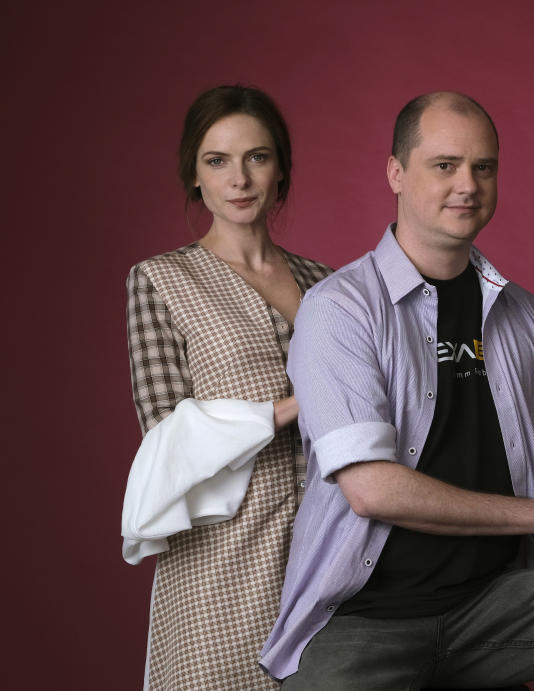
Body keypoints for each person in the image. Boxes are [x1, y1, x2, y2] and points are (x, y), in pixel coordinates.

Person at [260, 91, 534, 690]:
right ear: (395, 171)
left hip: (491, 608)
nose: (467, 184)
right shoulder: (340, 309)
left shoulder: (523, 316)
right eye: (444, 165)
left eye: (483, 167)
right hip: (365, 620)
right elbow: (371, 488)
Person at [121, 85, 332, 689]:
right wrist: (293, 407)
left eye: (257, 157)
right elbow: (166, 443)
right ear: (195, 174)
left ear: (281, 169)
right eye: (217, 161)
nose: (239, 179)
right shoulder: (160, 281)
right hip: (222, 561)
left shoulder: (328, 285)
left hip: (329, 551)